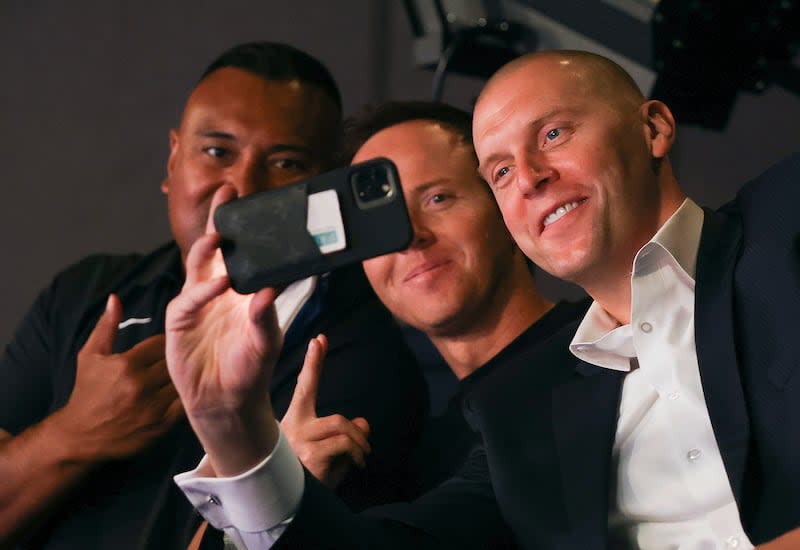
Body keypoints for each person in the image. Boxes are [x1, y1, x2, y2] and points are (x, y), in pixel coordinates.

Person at [167, 50, 800, 549]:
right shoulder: (518, 416)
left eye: (553, 134)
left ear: (654, 128)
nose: (528, 177)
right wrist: (235, 428)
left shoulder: (783, 222)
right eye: (499, 170)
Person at [0, 42, 427, 549]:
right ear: (173, 160)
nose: (240, 187)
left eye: (286, 163)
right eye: (217, 152)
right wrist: (74, 432)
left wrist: (252, 460)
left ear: (324, 184)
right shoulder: (86, 292)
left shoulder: (359, 349)